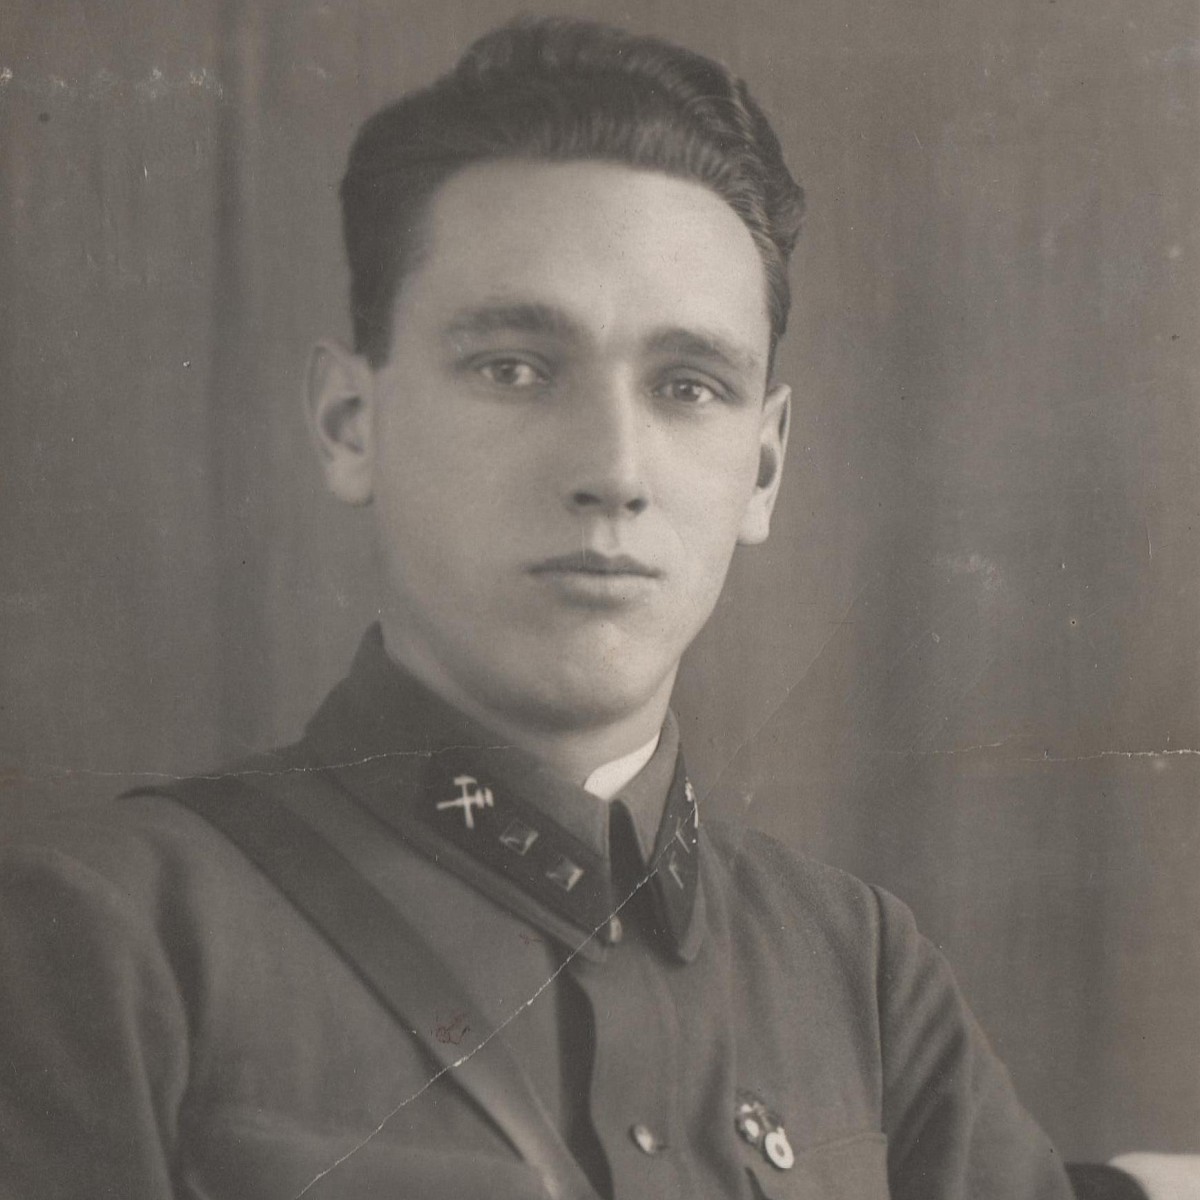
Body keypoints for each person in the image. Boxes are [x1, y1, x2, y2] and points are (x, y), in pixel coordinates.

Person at [0, 17, 1168, 1200]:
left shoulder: (860, 975)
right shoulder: (106, 944)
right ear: (349, 422)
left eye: (689, 386)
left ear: (762, 468)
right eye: (515, 368)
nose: (613, 468)